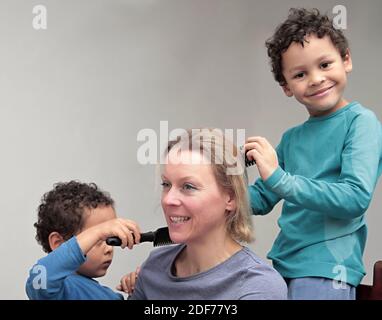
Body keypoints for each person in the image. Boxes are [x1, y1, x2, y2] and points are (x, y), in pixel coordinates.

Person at [244, 8, 382, 300]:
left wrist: (279, 178)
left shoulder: (361, 123)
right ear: (286, 87)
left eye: (325, 64)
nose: (316, 79)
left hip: (328, 270)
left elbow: (354, 197)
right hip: (281, 267)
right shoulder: (292, 139)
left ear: (346, 60)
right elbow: (262, 198)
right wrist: (219, 192)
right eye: (300, 74)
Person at [127, 129, 287, 300]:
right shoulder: (153, 269)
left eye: (188, 186)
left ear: (231, 198)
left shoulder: (257, 287)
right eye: (166, 184)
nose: (168, 200)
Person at [25, 181, 141, 300]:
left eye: (110, 239)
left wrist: (137, 291)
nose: (109, 249)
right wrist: (98, 231)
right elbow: (40, 279)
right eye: (98, 239)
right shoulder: (59, 290)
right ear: (58, 243)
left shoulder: (108, 294)